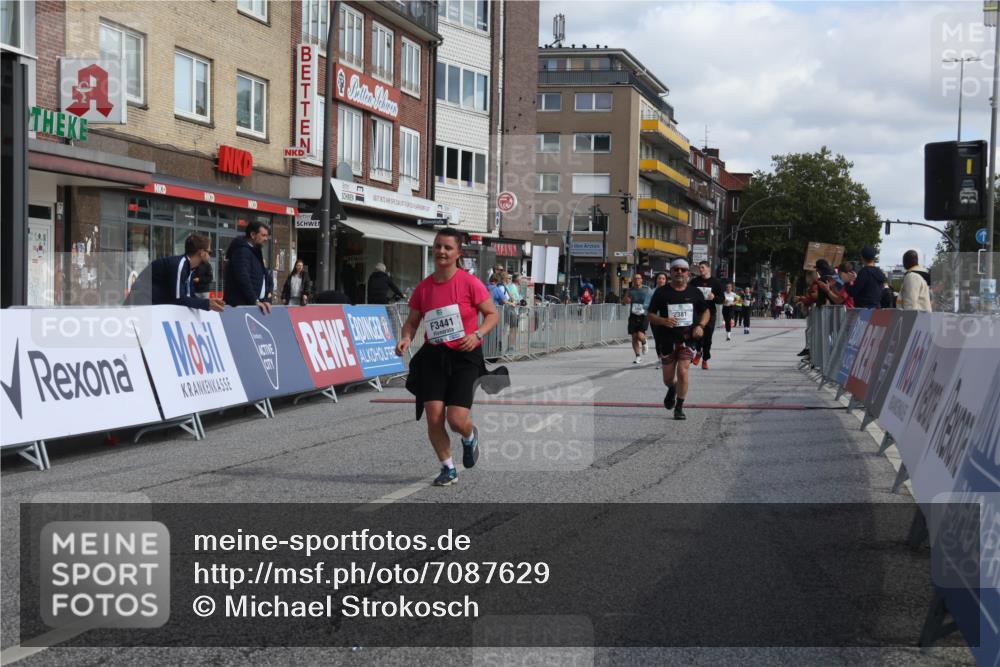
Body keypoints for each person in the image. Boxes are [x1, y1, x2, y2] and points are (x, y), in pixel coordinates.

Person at [396, 228, 500, 486]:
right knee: (433, 416)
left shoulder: (469, 283)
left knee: (456, 419)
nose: (442, 251)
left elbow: (492, 314)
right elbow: (412, 321)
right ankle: (448, 468)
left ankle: (469, 436)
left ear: (458, 253)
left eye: (448, 248)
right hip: (434, 355)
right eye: (438, 246)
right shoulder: (424, 287)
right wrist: (406, 337)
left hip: (465, 355)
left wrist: (477, 335)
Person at [647, 259, 710, 420]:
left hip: (687, 340)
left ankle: (679, 407)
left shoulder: (694, 292)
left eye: (683, 270)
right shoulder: (661, 292)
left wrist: (700, 326)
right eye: (676, 270)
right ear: (671, 273)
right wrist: (663, 321)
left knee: (683, 371)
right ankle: (672, 389)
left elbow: (706, 312)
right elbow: (650, 315)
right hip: (667, 340)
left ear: (688, 273)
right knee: (668, 378)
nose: (679, 272)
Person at [124, 233, 224, 312]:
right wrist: (207, 304)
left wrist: (208, 302)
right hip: (138, 305)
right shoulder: (179, 264)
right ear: (201, 253)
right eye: (209, 252)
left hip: (149, 306)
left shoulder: (189, 268)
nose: (210, 255)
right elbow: (179, 298)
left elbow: (189, 296)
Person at [224, 221, 273, 313]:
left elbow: (264, 276)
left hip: (253, 304)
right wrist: (255, 300)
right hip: (242, 307)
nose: (266, 239)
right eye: (263, 235)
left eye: (267, 235)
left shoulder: (255, 251)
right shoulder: (242, 251)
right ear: (253, 235)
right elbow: (243, 277)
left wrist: (265, 298)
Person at [689, 260, 723, 369]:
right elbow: (687, 292)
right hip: (698, 313)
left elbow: (722, 299)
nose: (701, 269)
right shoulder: (694, 282)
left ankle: (705, 359)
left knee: (708, 338)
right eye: (700, 268)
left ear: (708, 268)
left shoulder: (715, 283)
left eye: (703, 267)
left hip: (710, 313)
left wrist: (715, 297)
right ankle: (698, 352)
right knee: (698, 335)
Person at [625, 274, 653, 364]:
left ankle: (644, 342)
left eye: (639, 278)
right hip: (633, 315)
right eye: (635, 278)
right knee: (634, 337)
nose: (637, 280)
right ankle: (638, 356)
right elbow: (624, 301)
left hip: (643, 315)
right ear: (633, 280)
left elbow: (652, 300)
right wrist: (626, 300)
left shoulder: (647, 289)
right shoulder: (630, 290)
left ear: (641, 280)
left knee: (640, 335)